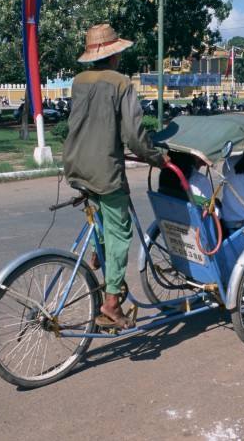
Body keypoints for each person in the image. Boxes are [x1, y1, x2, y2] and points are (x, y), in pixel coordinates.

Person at [63, 23, 170, 330]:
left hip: (75, 163)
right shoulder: (121, 82)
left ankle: (99, 254)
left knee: (101, 213)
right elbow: (135, 137)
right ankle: (111, 303)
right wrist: (156, 158)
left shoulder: (78, 81)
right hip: (103, 168)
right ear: (114, 55)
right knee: (121, 231)